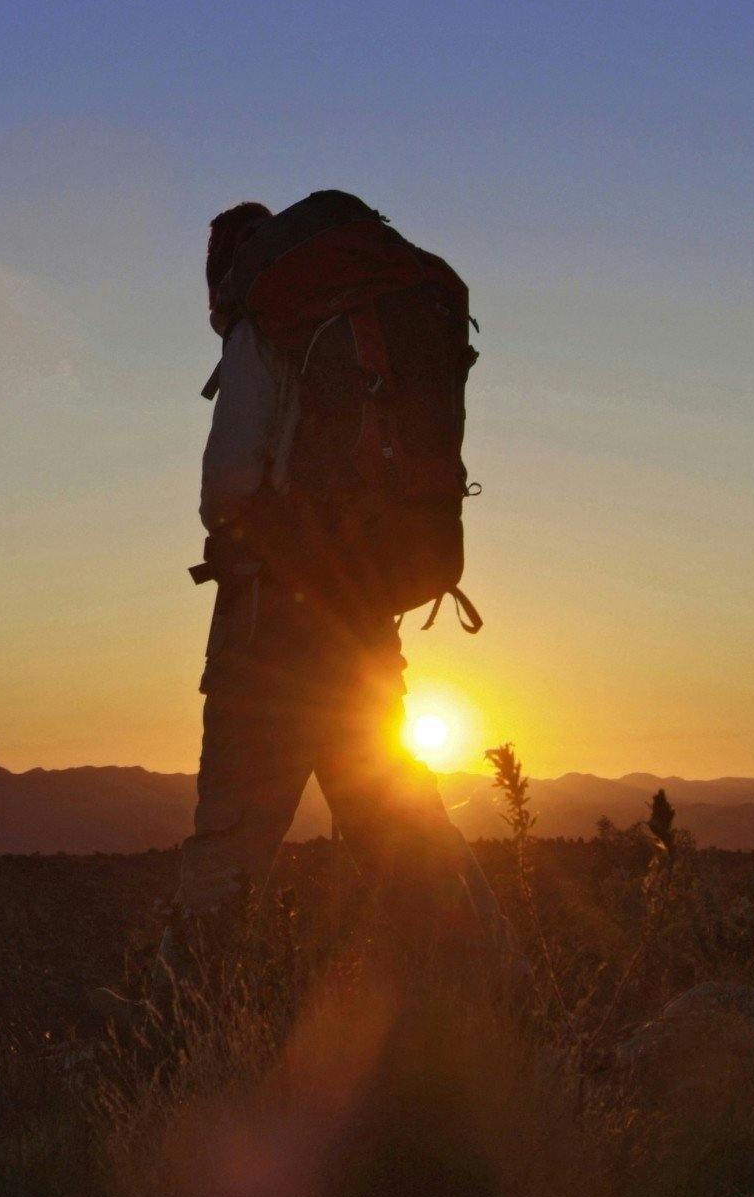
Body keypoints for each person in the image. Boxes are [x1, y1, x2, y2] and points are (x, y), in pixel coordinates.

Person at [173, 197, 505, 958]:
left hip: (269, 632)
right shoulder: (357, 320)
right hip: (361, 620)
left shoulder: (263, 331)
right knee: (402, 820)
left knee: (229, 843)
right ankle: (493, 991)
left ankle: (180, 1029)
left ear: (228, 279)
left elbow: (227, 485)